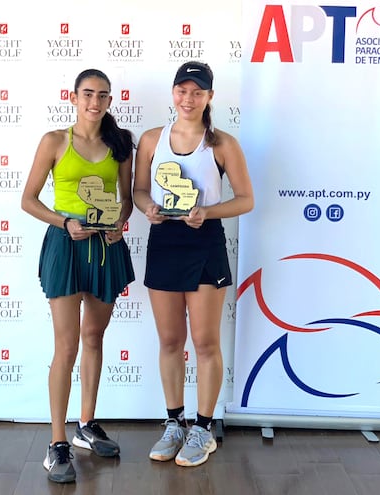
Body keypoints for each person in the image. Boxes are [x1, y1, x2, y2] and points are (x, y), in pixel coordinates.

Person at [133, 61, 254, 467]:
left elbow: (245, 200)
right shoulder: (152, 139)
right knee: (170, 341)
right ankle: (174, 423)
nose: (189, 98)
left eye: (197, 91)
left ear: (210, 97)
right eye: (182, 90)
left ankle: (202, 428)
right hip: (164, 242)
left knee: (205, 342)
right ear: (173, 93)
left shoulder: (222, 144)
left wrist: (209, 211)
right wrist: (147, 205)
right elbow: (139, 190)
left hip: (205, 244)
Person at [21, 69, 135, 483]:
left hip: (105, 250)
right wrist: (63, 222)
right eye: (88, 93)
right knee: (66, 345)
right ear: (73, 97)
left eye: (102, 95)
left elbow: (126, 203)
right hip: (64, 246)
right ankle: (57, 444)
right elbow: (28, 200)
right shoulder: (54, 141)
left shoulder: (120, 144)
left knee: (93, 338)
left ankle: (86, 426)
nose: (95, 101)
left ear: (109, 100)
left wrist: (119, 223)